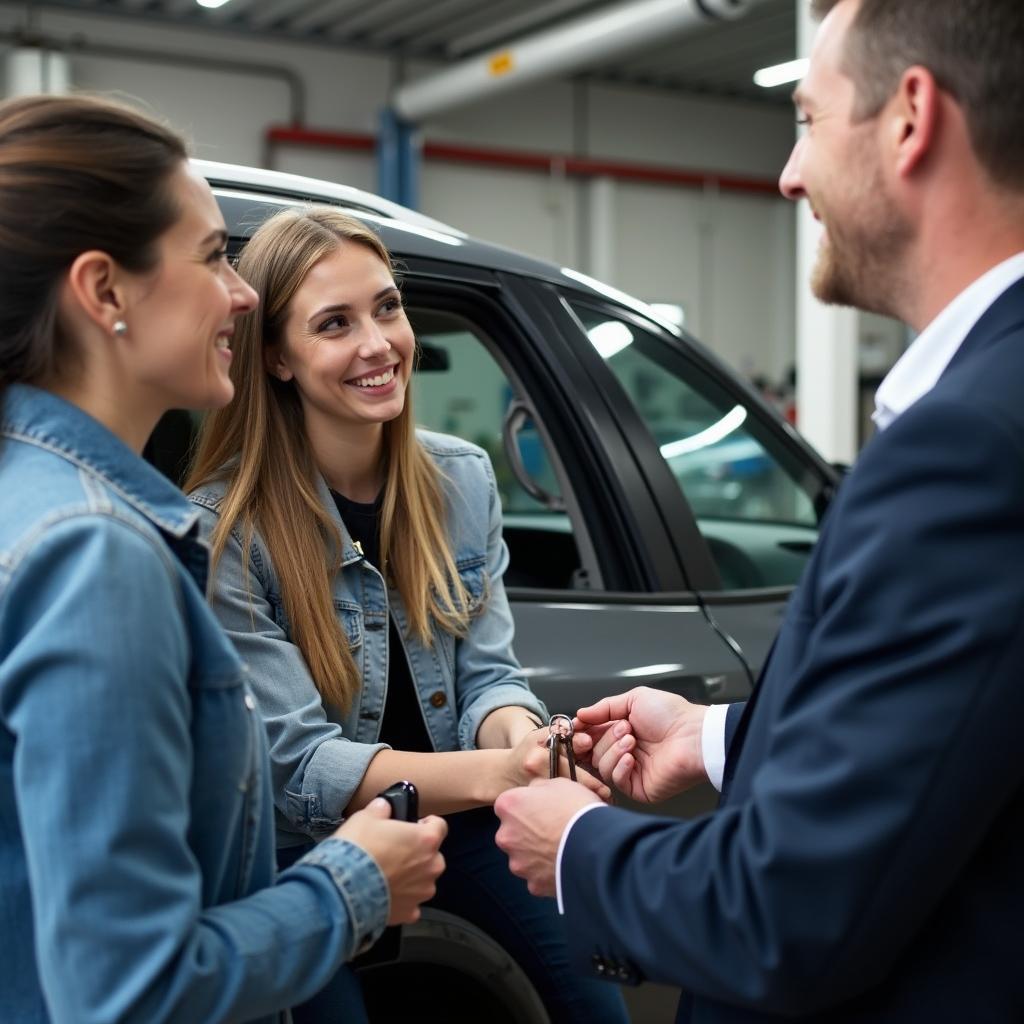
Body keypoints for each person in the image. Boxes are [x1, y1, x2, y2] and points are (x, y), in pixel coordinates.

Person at [493, 0, 1024, 1020]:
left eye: (808, 121)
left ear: (910, 118)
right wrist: (720, 738)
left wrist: (579, 847)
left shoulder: (967, 448)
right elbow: (963, 741)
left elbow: (784, 915)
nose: (788, 175)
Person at [0, 94, 448, 1024]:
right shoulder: (95, 560)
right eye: (212, 257)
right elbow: (131, 991)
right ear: (104, 291)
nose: (242, 296)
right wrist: (354, 883)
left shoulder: (29, 497)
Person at [185, 207, 625, 1023]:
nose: (379, 344)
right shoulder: (225, 534)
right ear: (277, 357)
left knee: (598, 1000)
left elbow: (488, 675)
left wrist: (527, 745)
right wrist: (499, 774)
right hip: (303, 853)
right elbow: (299, 769)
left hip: (457, 823)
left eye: (387, 307)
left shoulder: (461, 481)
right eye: (334, 324)